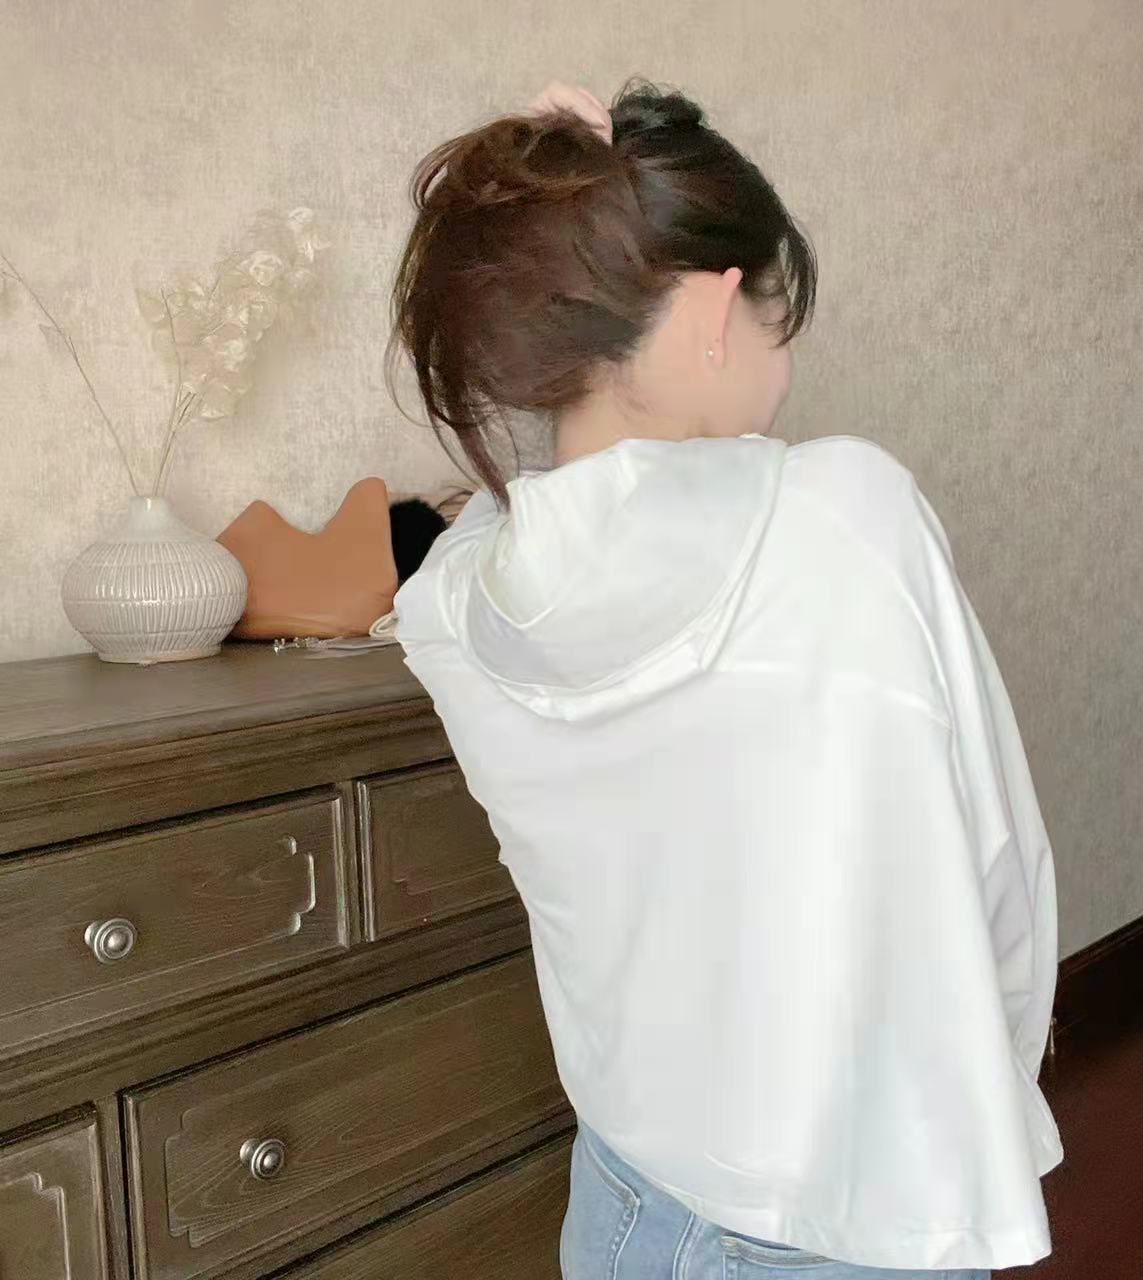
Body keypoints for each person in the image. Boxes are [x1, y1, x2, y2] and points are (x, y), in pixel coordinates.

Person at [391, 79, 1061, 1280]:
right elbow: (996, 867)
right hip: (849, 1221)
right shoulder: (846, 513)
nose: (783, 361)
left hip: (620, 1206)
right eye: (773, 316)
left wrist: (563, 210)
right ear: (712, 308)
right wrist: (989, 1089)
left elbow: (512, 527)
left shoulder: (450, 605)